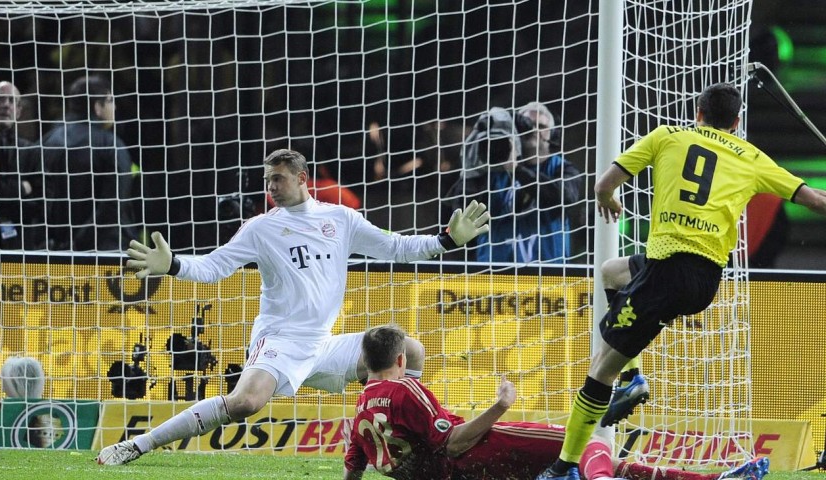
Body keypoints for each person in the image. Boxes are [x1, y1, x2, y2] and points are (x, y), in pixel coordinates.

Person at [96, 148, 490, 466]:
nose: (271, 186)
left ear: (302, 179)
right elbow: (215, 266)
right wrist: (174, 265)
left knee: (411, 350)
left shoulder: (341, 219)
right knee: (244, 403)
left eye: (278, 178)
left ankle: (422, 451)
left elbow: (397, 246)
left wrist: (447, 240)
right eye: (268, 180)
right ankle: (139, 445)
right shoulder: (261, 227)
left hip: (323, 345)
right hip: (280, 341)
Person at [539, 82, 826, 480]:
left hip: (668, 273)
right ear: (737, 122)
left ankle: (562, 468)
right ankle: (633, 380)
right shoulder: (753, 157)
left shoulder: (666, 135)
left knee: (598, 368)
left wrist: (607, 199)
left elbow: (603, 184)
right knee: (611, 272)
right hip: (702, 275)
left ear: (698, 111)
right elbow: (814, 198)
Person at [343, 324, 769, 480]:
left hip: (453, 474)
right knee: (586, 445)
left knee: (594, 459)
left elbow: (353, 466)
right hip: (472, 456)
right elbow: (452, 442)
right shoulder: (405, 392)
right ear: (400, 361)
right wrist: (500, 406)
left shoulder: (362, 405)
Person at [444, 103, 581, 263]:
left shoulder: (562, 167)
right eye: (527, 124)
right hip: (494, 274)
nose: (534, 130)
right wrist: (472, 168)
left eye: (541, 126)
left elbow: (564, 197)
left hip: (548, 276)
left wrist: (517, 169)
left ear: (553, 135)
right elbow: (462, 211)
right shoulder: (492, 170)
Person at [42, 75, 140, 251]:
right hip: (105, 249)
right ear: (98, 107)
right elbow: (112, 205)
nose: (115, 107)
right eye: (110, 101)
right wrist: (79, 242)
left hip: (55, 248)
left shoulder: (47, 141)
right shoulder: (111, 145)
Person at [0, 81, 45, 250]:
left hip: (21, 247)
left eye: (12, 101)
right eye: (0, 99)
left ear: (19, 111)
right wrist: (21, 189)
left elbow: (42, 204)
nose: (6, 105)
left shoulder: (31, 151)